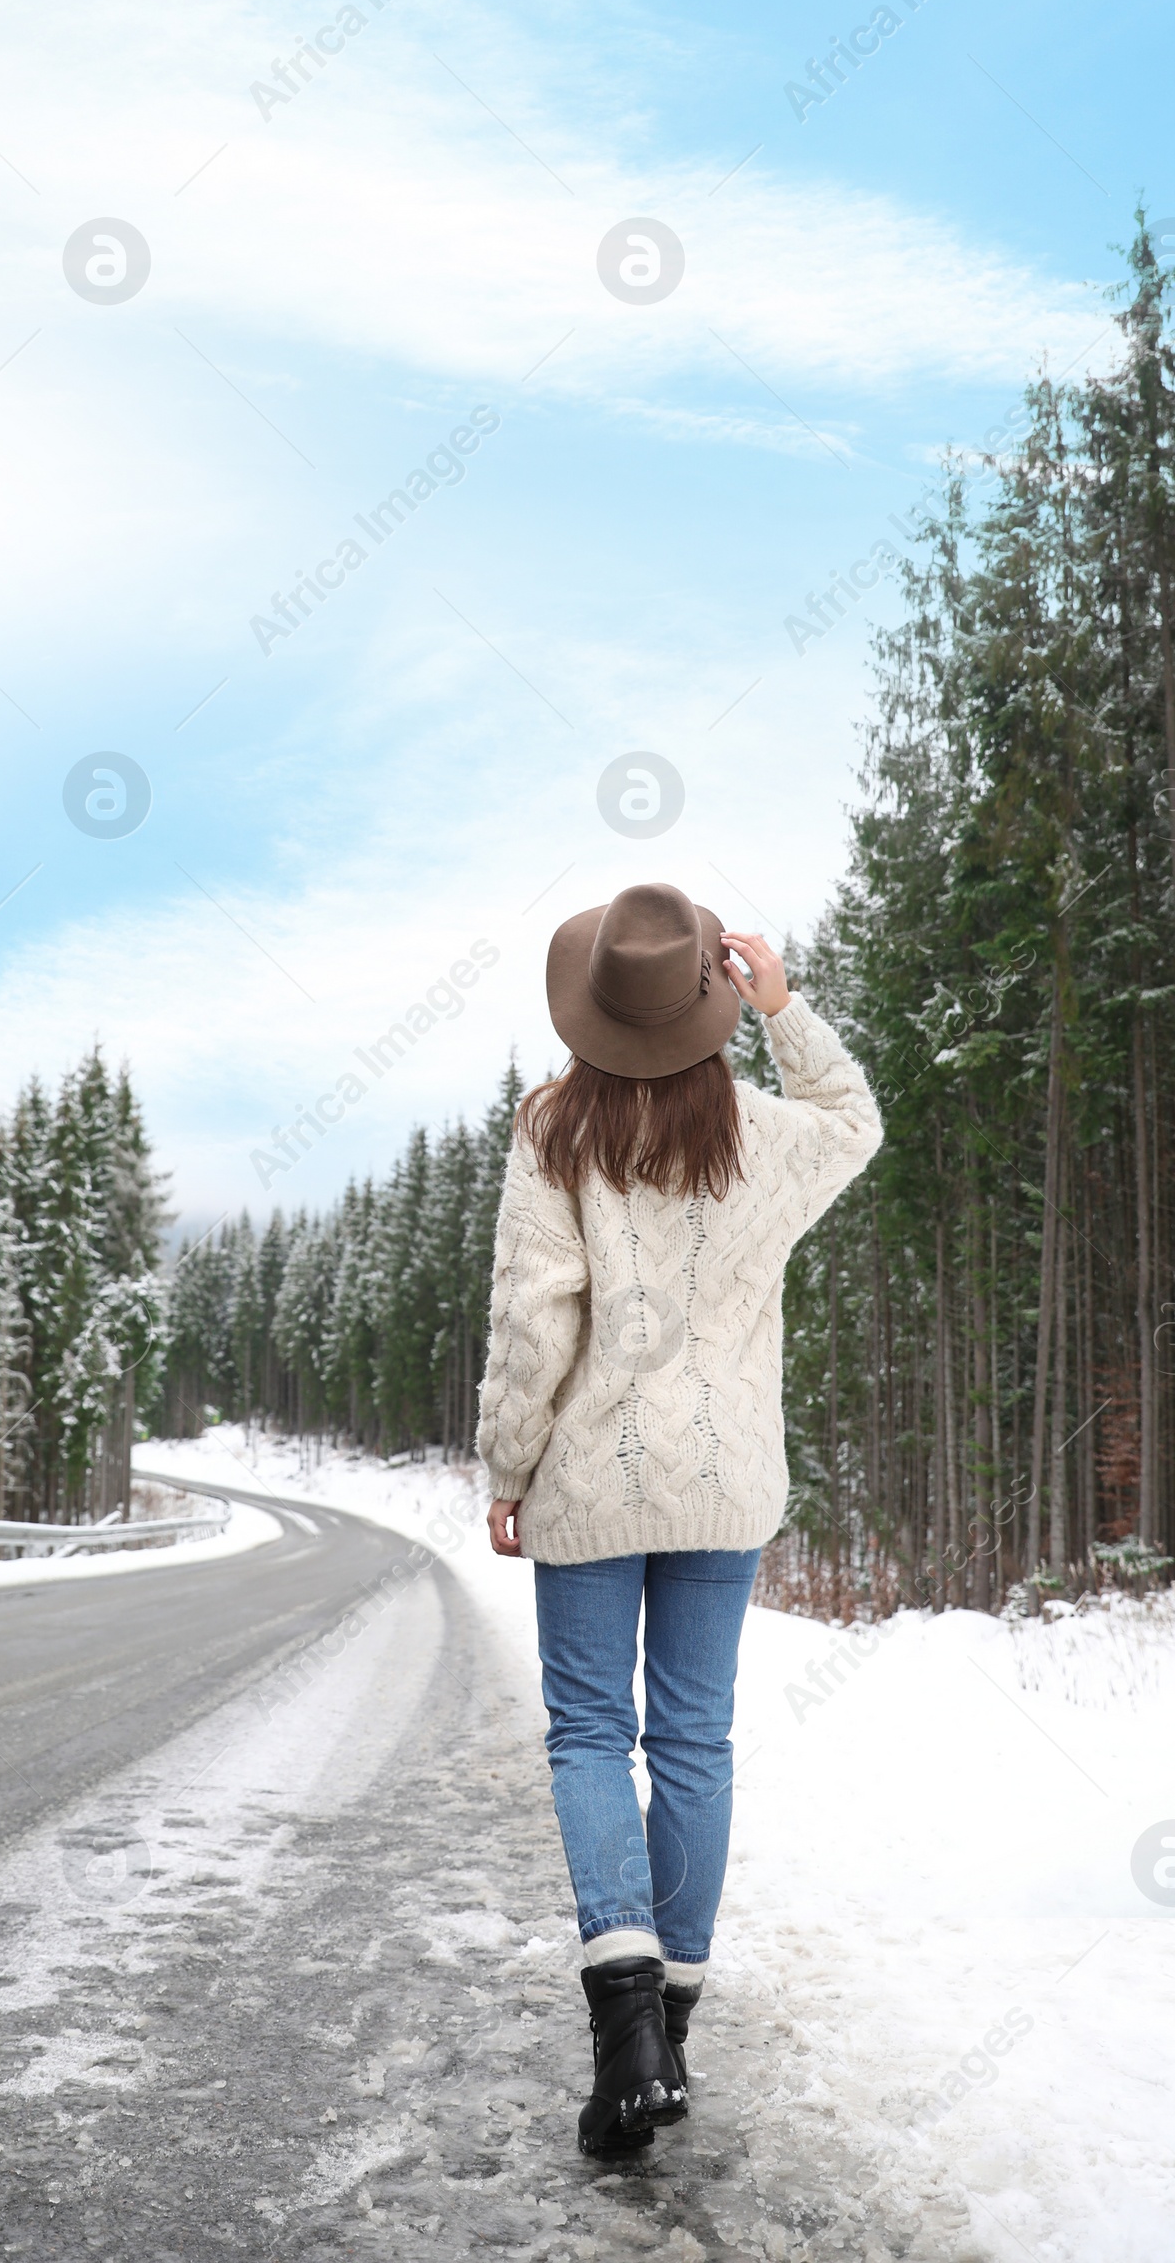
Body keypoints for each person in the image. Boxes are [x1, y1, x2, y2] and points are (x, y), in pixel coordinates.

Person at [476, 880, 881, 2157]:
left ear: (593, 1007)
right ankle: (671, 2032)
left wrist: (508, 1465)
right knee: (693, 1743)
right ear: (704, 996)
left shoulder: (554, 1128)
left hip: (590, 1482)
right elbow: (855, 1119)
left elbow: (533, 1321)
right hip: (723, 1488)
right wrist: (785, 1006)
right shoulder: (763, 1134)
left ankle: (627, 2031)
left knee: (591, 1733)